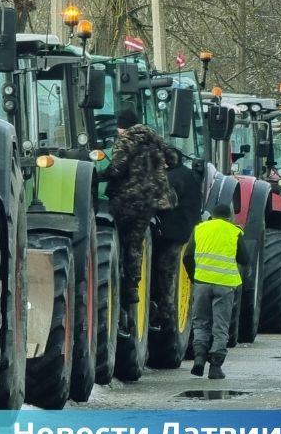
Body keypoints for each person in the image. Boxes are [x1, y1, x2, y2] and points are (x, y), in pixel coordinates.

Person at [97, 110, 176, 331]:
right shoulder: (154, 138)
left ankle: (128, 285)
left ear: (121, 126)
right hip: (153, 199)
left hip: (128, 198)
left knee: (125, 240)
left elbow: (117, 168)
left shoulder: (124, 141)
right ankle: (133, 284)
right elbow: (174, 158)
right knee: (136, 241)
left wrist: (97, 176)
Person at [183, 204, 249, 379]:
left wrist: (195, 278)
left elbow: (187, 256)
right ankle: (215, 367)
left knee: (201, 322)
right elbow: (245, 259)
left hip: (202, 283)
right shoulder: (234, 231)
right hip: (225, 285)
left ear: (211, 215)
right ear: (229, 217)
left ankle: (198, 359)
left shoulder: (200, 228)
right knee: (220, 325)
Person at [151, 148, 202, 335]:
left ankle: (166, 320)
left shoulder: (171, 178)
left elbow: (164, 203)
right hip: (188, 232)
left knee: (166, 278)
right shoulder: (191, 176)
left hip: (172, 235)